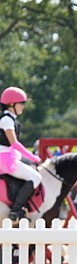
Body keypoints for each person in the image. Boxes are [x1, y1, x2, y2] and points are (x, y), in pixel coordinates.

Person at [0, 86, 41, 221]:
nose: (23, 106)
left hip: (8, 155)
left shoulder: (11, 119)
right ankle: (15, 211)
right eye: (21, 103)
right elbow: (14, 144)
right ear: (11, 104)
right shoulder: (6, 120)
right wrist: (32, 156)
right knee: (35, 177)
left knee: (30, 168)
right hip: (4, 158)